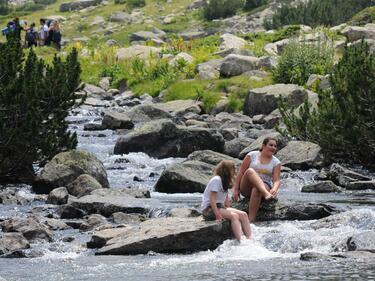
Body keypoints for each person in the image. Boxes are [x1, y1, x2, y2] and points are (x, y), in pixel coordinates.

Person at [232, 137, 281, 222]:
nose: (273, 147)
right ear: (263, 146)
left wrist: (274, 189)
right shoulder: (252, 155)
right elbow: (241, 172)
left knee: (257, 189)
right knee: (250, 171)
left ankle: (251, 221)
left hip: (265, 184)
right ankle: (266, 194)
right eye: (271, 145)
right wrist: (236, 189)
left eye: (275, 146)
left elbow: (276, 180)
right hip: (247, 186)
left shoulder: (276, 162)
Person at [201, 160, 252, 242]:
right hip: (209, 209)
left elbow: (225, 199)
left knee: (243, 214)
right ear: (227, 170)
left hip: (219, 206)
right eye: (233, 169)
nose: (235, 171)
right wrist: (217, 214)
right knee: (234, 216)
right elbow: (212, 198)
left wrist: (228, 208)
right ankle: (241, 240)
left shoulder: (225, 181)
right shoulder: (216, 180)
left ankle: (250, 239)